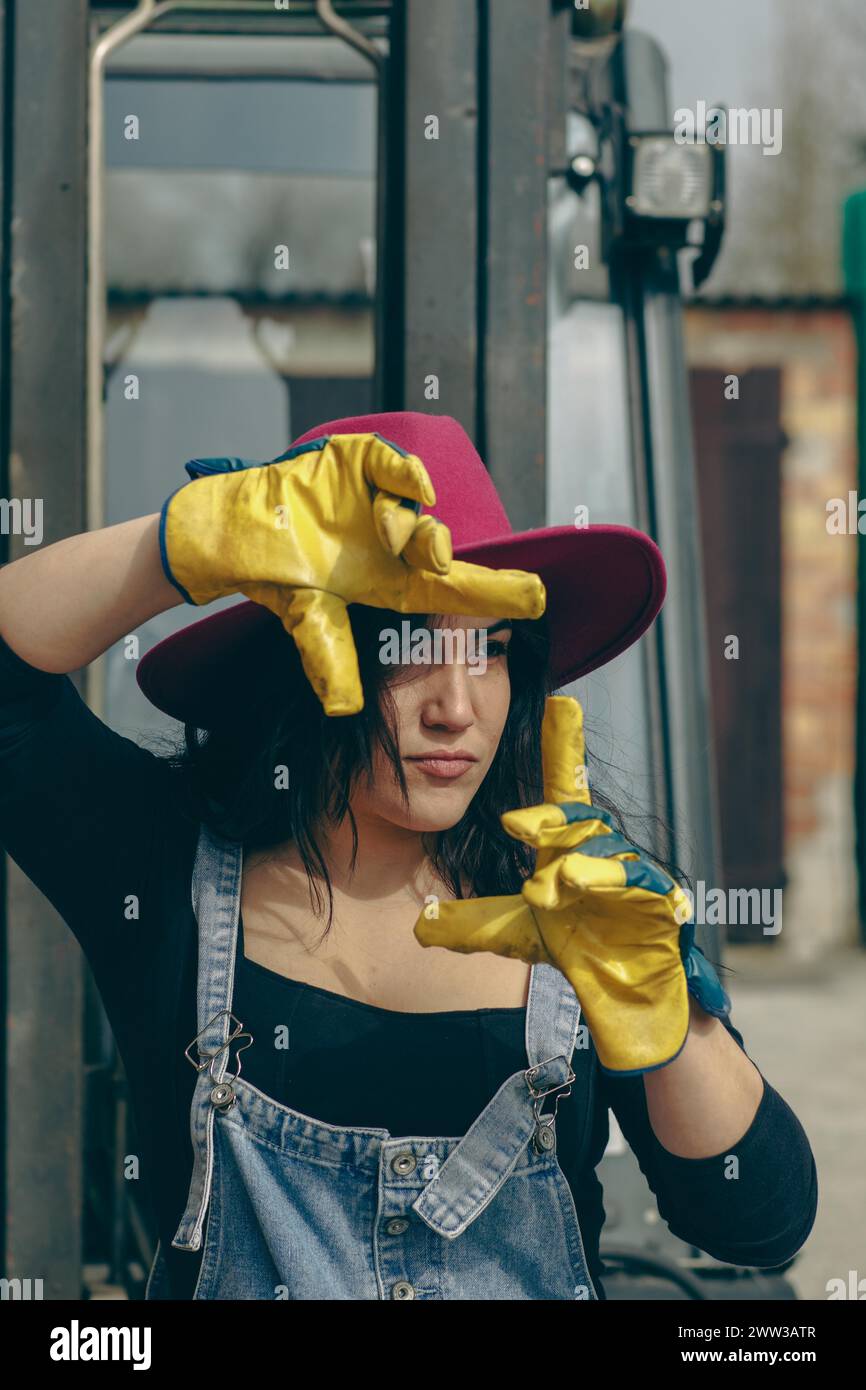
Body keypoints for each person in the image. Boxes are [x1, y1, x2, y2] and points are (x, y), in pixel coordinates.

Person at [0, 410, 816, 1300]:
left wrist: (670, 1019)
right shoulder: (163, 871)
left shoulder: (572, 897)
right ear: (311, 645)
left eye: (491, 649)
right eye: (410, 647)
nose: (457, 708)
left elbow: (757, 1225)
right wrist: (185, 542)